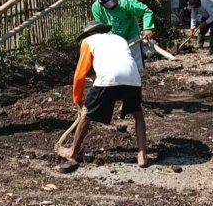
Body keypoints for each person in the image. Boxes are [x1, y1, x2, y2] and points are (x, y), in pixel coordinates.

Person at [56, 21, 148, 167]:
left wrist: (78, 100)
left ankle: (73, 152)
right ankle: (142, 154)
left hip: (108, 78)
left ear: (89, 34)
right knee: (138, 114)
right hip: (133, 77)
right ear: (103, 31)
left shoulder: (88, 42)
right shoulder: (119, 39)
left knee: (87, 115)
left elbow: (80, 74)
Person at [91, 0, 154, 71]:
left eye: (113, 2)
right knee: (117, 67)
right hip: (113, 39)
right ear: (101, 4)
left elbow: (146, 11)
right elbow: (101, 27)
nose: (112, 5)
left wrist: (148, 28)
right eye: (108, 5)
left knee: (136, 67)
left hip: (131, 36)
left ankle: (138, 81)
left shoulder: (126, 2)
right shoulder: (96, 8)